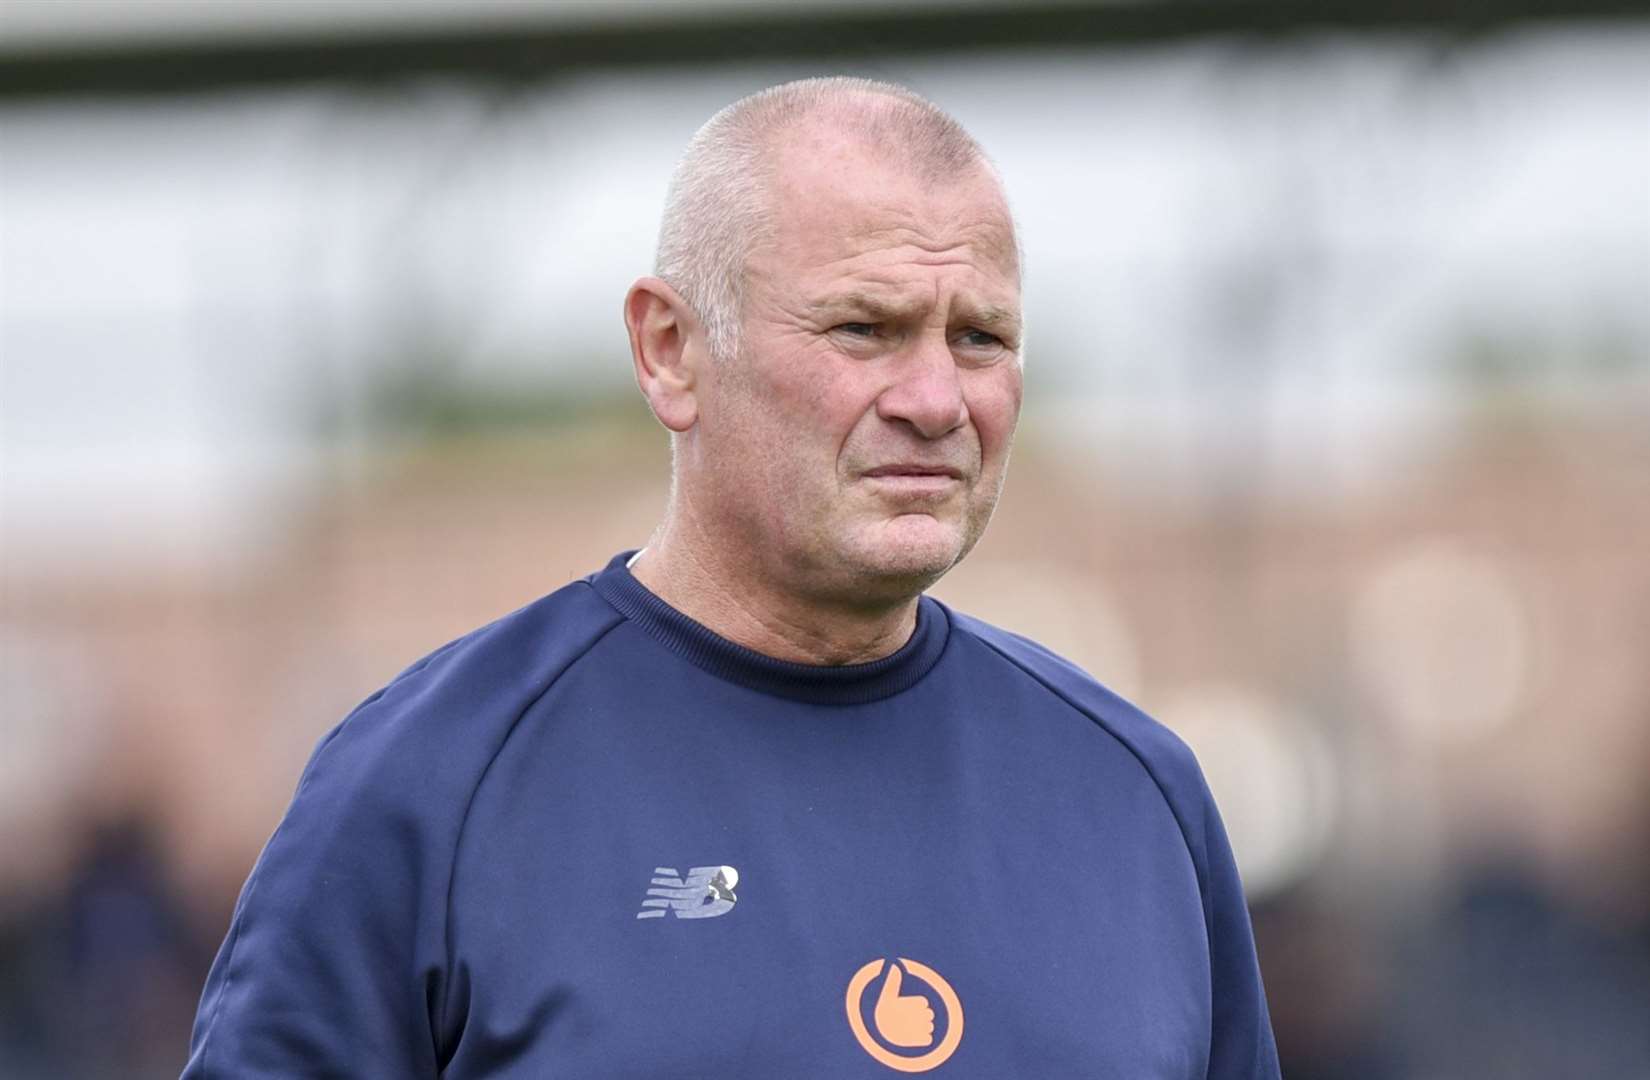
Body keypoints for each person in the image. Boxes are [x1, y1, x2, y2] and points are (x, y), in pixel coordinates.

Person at [181, 77, 1279, 1078]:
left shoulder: (1138, 796)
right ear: (669, 350)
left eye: (982, 337)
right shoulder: (430, 783)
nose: (938, 401)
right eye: (866, 328)